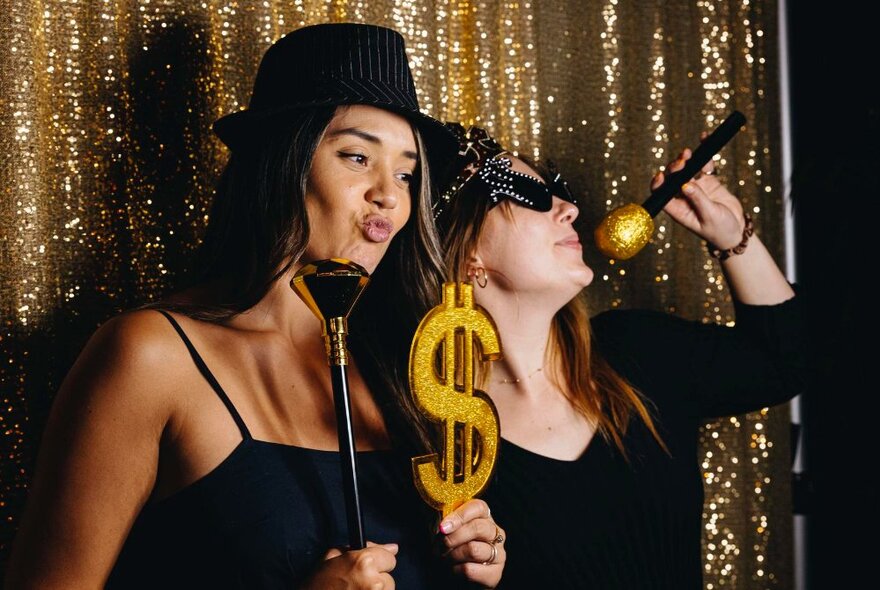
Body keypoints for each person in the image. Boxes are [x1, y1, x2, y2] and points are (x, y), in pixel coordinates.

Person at [4, 25, 506, 589]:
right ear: (283, 160)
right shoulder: (151, 355)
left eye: (407, 173)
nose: (388, 193)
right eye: (357, 157)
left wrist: (467, 559)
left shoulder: (402, 358)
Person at [433, 123, 806, 589]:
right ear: (469, 254)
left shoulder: (637, 350)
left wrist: (732, 237)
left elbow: (785, 361)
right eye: (530, 193)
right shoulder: (444, 443)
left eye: (560, 192)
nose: (570, 209)